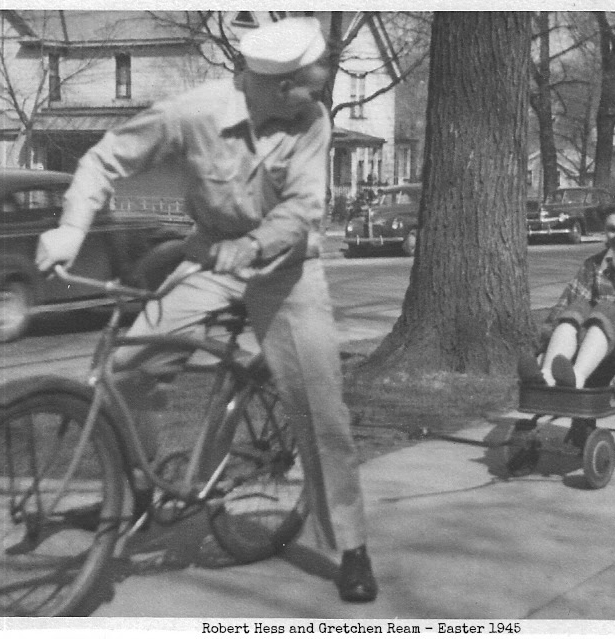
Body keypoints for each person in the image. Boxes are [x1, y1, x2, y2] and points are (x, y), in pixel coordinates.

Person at [35, 17, 377, 603]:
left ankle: (351, 545)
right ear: (273, 84)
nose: (316, 100)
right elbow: (102, 160)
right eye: (308, 88)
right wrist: (70, 229)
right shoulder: (192, 113)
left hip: (285, 271)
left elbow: (301, 210)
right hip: (207, 261)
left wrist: (249, 246)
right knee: (129, 368)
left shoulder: (311, 122)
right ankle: (138, 489)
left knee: (322, 412)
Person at [519, 204, 615, 397]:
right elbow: (563, 308)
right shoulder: (594, 265)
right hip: (597, 351)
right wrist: (541, 351)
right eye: (612, 230)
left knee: (607, 310)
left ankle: (576, 377)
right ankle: (547, 374)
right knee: (577, 306)